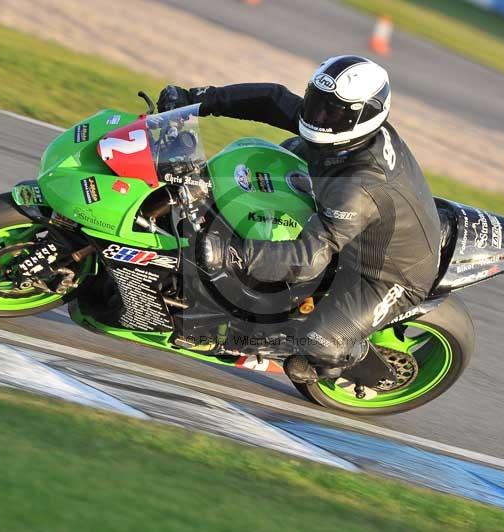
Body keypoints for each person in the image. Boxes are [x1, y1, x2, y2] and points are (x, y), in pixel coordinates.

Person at [157, 55, 442, 383]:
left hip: (387, 274)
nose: (318, 115)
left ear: (361, 116)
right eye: (316, 101)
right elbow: (271, 100)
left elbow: (309, 257)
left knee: (318, 344)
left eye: (331, 110)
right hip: (345, 214)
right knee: (272, 162)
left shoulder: (360, 184)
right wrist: (194, 100)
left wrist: (234, 254)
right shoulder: (337, 128)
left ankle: (353, 359)